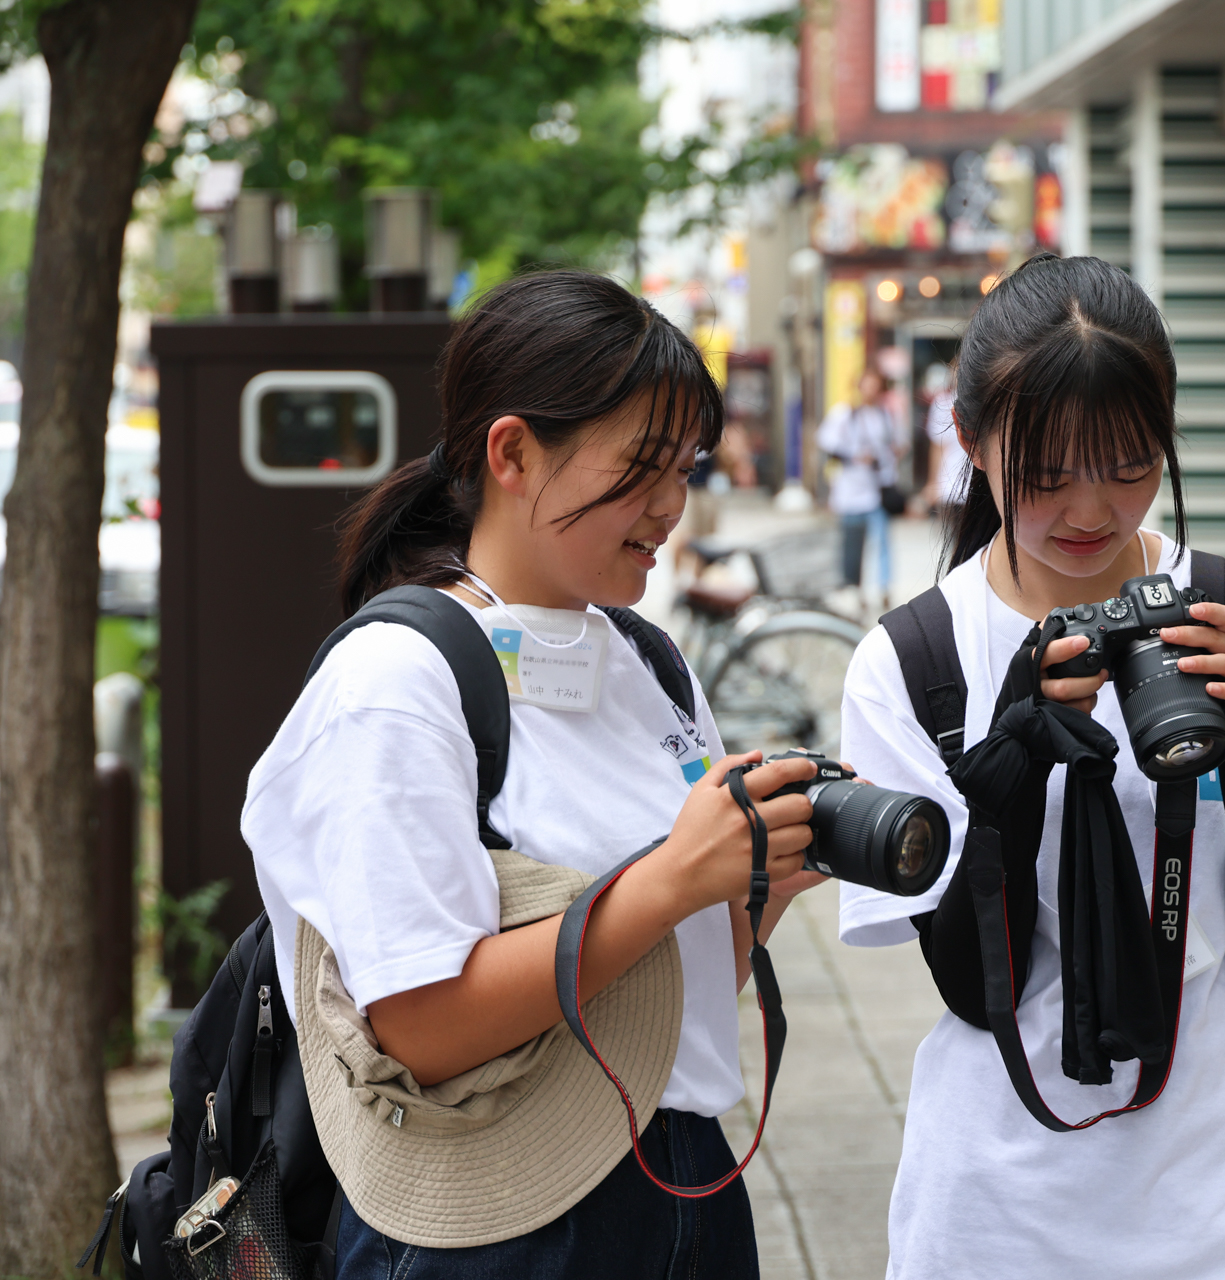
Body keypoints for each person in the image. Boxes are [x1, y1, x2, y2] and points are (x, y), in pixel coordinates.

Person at [243, 269, 826, 1277]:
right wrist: (675, 875)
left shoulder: (651, 661)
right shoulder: (396, 680)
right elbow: (420, 1026)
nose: (671, 507)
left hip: (687, 1181)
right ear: (513, 451)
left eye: (685, 468)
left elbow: (673, 989)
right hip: (500, 1218)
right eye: (642, 467)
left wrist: (761, 881)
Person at [836, 254, 1225, 1278]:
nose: (1091, 507)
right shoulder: (917, 663)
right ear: (970, 443)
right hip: (1001, 1199)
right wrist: (1010, 767)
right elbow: (966, 984)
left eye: (1130, 464)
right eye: (1046, 474)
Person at [816, 367, 898, 607]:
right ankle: (855, 589)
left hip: (878, 488)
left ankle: (883, 587)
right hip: (850, 490)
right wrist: (854, 456)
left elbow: (897, 444)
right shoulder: (845, 413)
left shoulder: (886, 416)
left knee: (881, 541)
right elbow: (825, 441)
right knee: (853, 543)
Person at [920, 360, 967, 518]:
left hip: (978, 486)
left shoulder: (983, 401)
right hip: (950, 484)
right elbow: (938, 446)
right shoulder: (943, 403)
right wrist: (933, 482)